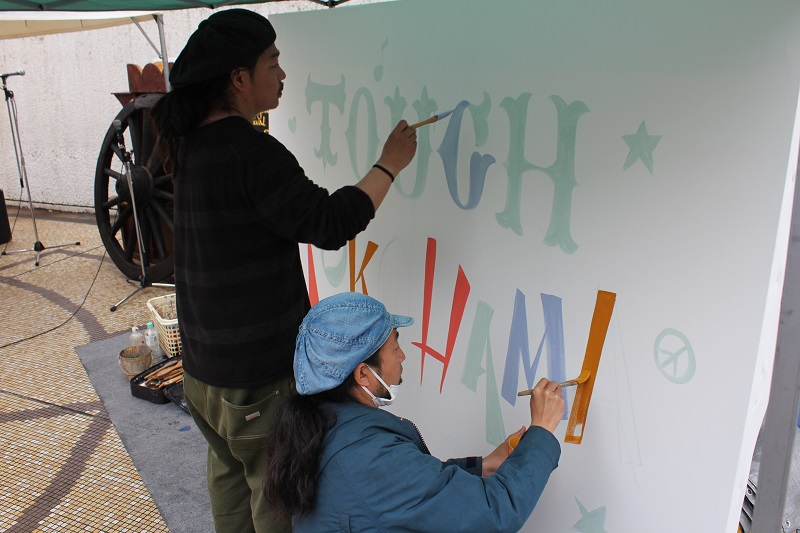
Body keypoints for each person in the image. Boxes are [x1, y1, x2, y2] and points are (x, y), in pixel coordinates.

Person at [149, 9, 417, 533]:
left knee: (231, 486)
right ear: (239, 78)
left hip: (203, 374)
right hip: (254, 382)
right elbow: (329, 222)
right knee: (276, 501)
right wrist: (389, 164)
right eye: (272, 63)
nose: (283, 74)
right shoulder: (250, 152)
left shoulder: (189, 145)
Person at [263, 292, 565, 532]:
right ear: (363, 374)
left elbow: (407, 491)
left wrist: (481, 466)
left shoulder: (321, 424)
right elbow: (494, 513)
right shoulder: (368, 456)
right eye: (395, 345)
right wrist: (542, 430)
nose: (402, 356)